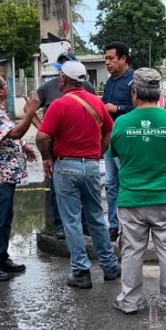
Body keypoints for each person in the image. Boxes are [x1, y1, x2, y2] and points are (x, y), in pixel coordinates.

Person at [109, 68, 166, 314]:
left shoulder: (122, 123)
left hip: (131, 199)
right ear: (159, 93)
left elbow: (115, 154)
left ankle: (129, 301)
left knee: (132, 251)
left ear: (134, 93)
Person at [35, 61, 121, 289]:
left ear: (63, 79)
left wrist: (47, 158)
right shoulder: (97, 103)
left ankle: (81, 272)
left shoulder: (59, 105)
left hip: (66, 167)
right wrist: (98, 153)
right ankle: (110, 266)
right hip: (91, 167)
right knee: (95, 217)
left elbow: (42, 136)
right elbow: (109, 131)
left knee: (71, 220)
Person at [0, 72, 40, 281]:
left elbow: (7, 137)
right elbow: (14, 133)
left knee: (5, 220)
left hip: (7, 175)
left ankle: (1, 258)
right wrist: (30, 112)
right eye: (4, 83)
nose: (8, 85)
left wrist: (22, 148)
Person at [33, 51, 95, 239]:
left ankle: (85, 225)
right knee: (56, 188)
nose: (63, 68)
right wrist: (43, 128)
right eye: (60, 65)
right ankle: (60, 224)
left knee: (85, 190)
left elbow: (98, 117)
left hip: (82, 148)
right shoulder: (47, 88)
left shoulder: (87, 87)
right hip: (56, 149)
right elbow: (32, 109)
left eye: (67, 64)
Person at [101, 42, 135, 241]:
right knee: (111, 183)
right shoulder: (110, 82)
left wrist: (118, 109)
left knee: (126, 182)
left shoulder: (134, 81)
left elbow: (143, 107)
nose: (107, 62)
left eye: (111, 58)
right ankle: (114, 224)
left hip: (127, 140)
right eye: (106, 59)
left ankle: (129, 225)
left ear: (123, 58)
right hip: (109, 139)